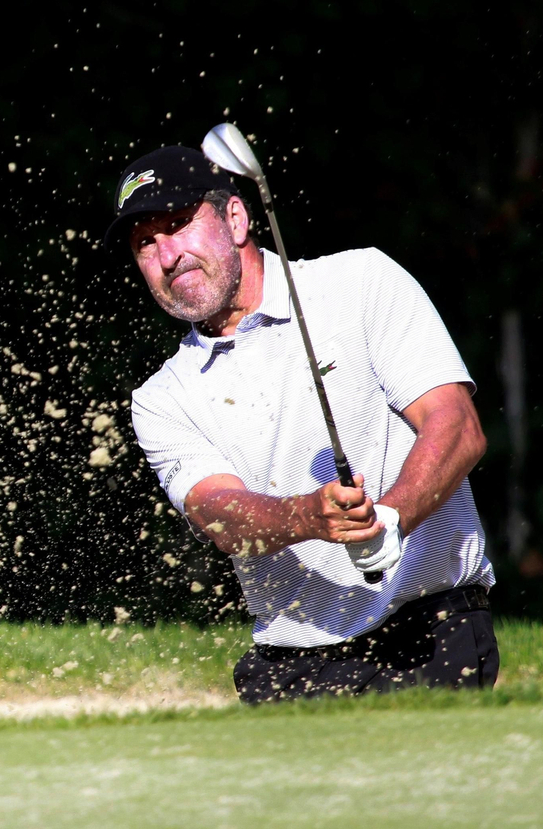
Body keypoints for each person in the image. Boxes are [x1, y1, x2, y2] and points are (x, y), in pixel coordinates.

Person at [104, 144, 498, 704]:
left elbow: (457, 425)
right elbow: (219, 515)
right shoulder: (162, 397)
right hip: (292, 670)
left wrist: (394, 515)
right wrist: (309, 516)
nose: (168, 255)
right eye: (146, 242)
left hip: (433, 634)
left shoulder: (361, 282)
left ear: (236, 218)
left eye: (179, 225)